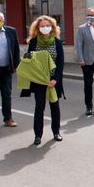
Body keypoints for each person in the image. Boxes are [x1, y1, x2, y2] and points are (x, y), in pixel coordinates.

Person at [21, 16, 65, 145]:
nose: (45, 27)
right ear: (38, 28)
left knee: (55, 107)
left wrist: (55, 79)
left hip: (53, 81)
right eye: (42, 26)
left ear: (52, 27)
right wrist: (27, 57)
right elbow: (30, 61)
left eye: (47, 25)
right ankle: (37, 135)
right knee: (39, 107)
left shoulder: (57, 42)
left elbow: (60, 62)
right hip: (39, 80)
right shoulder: (34, 42)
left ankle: (56, 132)